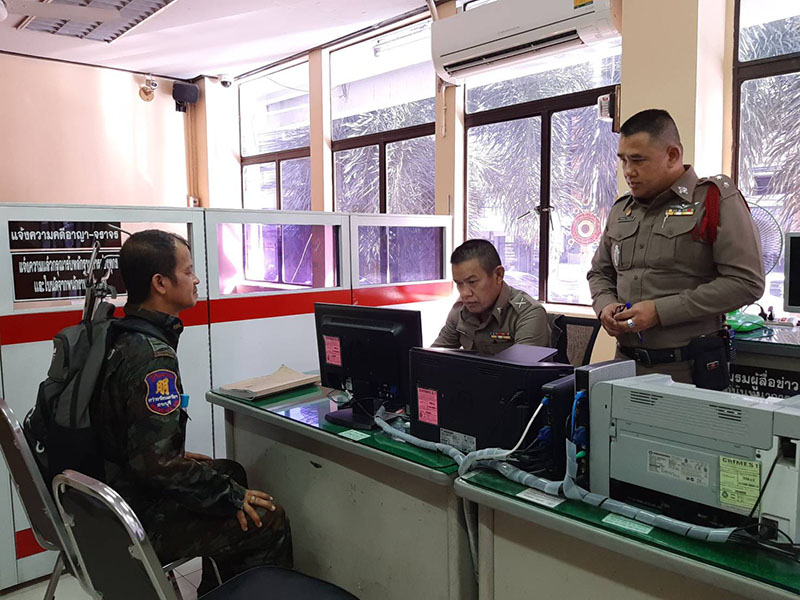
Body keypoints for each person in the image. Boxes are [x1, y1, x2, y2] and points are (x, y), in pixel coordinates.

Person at [91, 230, 292, 595]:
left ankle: (215, 591)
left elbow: (129, 437)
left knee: (231, 471)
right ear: (161, 283)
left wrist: (179, 459)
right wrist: (230, 496)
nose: (197, 279)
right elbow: (156, 467)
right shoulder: (153, 358)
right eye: (188, 271)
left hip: (108, 497)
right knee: (267, 518)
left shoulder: (117, 335)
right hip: (135, 514)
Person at [587, 109, 764, 387]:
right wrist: (605, 306)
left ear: (672, 155)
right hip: (624, 365)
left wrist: (660, 311)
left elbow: (746, 283)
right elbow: (599, 272)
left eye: (638, 160)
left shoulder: (713, 201)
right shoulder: (622, 209)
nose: (628, 171)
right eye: (623, 160)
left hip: (687, 371)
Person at [432, 239, 551, 355]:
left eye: (472, 282)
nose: (464, 293)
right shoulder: (459, 311)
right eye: (459, 284)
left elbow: (520, 371)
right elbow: (431, 359)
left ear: (498, 275)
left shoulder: (528, 313)